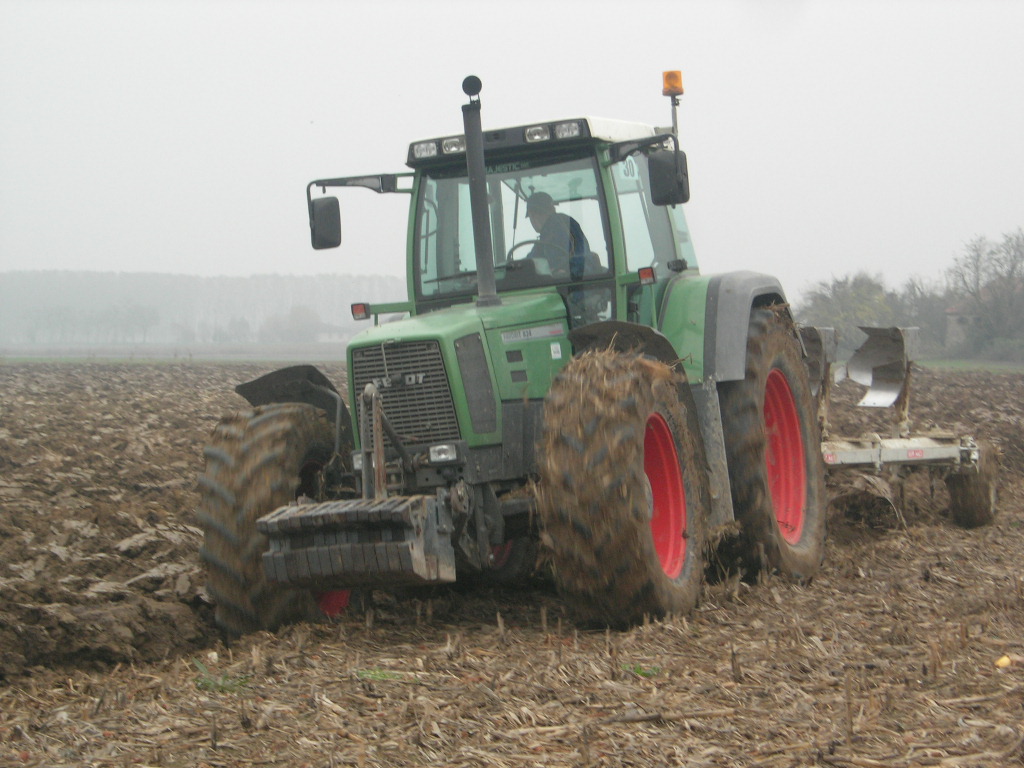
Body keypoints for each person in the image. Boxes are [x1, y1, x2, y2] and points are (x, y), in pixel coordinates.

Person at [524, 192, 590, 278]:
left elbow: (577, 255)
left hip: (574, 282)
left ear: (533, 215)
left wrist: (562, 269)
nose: (532, 220)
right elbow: (533, 259)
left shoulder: (559, 226)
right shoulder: (549, 232)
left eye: (532, 215)